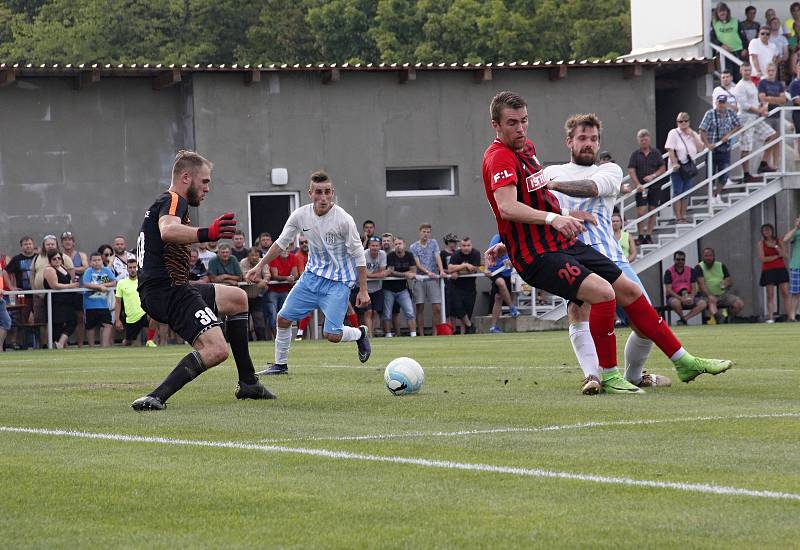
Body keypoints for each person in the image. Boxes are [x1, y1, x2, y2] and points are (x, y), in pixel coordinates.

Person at [483, 92, 731, 395]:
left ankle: (683, 361)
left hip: (567, 244)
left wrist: (559, 214)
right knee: (600, 295)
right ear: (496, 125)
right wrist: (549, 222)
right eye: (512, 123)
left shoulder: (574, 162)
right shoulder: (500, 158)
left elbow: (542, 199)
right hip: (542, 253)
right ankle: (607, 374)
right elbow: (508, 208)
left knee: (629, 292)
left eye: (524, 121)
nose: (520, 128)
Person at [131, 150, 275, 410]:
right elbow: (167, 231)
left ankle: (248, 383)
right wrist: (208, 231)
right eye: (205, 181)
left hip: (168, 288)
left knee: (238, 298)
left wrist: (205, 238)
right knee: (217, 350)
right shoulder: (174, 200)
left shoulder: (167, 202)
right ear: (186, 177)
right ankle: (156, 396)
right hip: (168, 291)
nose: (208, 188)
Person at [245, 170, 371, 375]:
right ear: (310, 193)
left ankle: (360, 334)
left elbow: (359, 255)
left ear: (333, 193)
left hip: (338, 282)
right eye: (318, 192)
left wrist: (363, 290)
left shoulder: (344, 220)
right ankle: (280, 365)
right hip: (311, 277)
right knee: (283, 318)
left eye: (327, 192)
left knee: (332, 334)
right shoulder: (301, 215)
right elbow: (281, 243)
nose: (323, 197)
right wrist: (259, 266)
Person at [733, 63, 778, 182]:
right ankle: (746, 174)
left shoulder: (752, 83)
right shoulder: (739, 86)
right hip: (745, 118)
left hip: (755, 117)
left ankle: (763, 163)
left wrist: (762, 108)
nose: (747, 72)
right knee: (746, 147)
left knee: (772, 135)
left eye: (749, 70)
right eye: (745, 70)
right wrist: (760, 111)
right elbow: (744, 106)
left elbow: (754, 101)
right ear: (741, 71)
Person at [699, 94, 742, 206]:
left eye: (723, 102)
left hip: (725, 147)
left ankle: (717, 195)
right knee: (710, 175)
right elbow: (702, 130)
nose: (721, 105)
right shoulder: (710, 114)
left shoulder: (730, 113)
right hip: (712, 149)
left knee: (724, 173)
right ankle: (710, 196)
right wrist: (707, 144)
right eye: (719, 102)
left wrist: (729, 135)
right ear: (716, 102)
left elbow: (738, 125)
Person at [664, 112, 704, 223]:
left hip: (689, 166)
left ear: (689, 122)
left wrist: (692, 134)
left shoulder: (693, 133)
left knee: (686, 191)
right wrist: (674, 163)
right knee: (677, 191)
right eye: (680, 121)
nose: (683, 123)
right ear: (677, 122)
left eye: (685, 121)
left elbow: (701, 148)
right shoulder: (674, 133)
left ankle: (683, 215)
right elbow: (670, 149)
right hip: (678, 166)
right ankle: (678, 217)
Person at [627, 129, 666, 245]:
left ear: (649, 139)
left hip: (655, 186)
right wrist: (637, 184)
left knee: (652, 211)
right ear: (638, 141)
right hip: (641, 188)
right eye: (641, 140)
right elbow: (631, 170)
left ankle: (648, 235)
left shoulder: (656, 153)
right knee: (641, 212)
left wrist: (653, 176)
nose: (643, 141)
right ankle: (640, 235)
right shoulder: (635, 154)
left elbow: (663, 168)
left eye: (645, 139)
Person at [410, 223, 446, 336]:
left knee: (437, 307)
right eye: (424, 232)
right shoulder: (413, 247)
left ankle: (435, 333)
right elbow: (417, 264)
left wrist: (441, 271)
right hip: (420, 279)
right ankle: (421, 334)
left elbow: (437, 257)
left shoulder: (433, 243)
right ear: (419, 232)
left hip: (433, 279)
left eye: (428, 232)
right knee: (420, 307)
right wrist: (427, 272)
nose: (426, 234)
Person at [694, 247, 745, 323]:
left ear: (714, 256)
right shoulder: (698, 267)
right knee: (712, 301)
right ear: (703, 257)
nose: (708, 258)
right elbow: (702, 285)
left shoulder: (721, 265)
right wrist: (710, 295)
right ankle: (719, 319)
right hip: (706, 296)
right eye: (706, 256)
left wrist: (726, 283)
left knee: (740, 304)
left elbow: (729, 279)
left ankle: (728, 318)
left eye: (710, 255)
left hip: (722, 294)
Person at [114, 258, 158, 346]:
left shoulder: (143, 281)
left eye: (134, 267)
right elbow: (118, 303)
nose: (132, 270)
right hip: (131, 318)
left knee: (154, 317)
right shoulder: (121, 283)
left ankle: (150, 341)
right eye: (130, 267)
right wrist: (117, 320)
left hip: (144, 313)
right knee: (128, 342)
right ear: (127, 269)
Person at [42, 250, 80, 349]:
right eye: (54, 259)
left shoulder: (62, 267)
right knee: (57, 324)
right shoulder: (49, 269)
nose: (57, 260)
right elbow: (54, 285)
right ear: (50, 260)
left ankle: (60, 343)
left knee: (72, 321)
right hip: (55, 301)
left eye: (59, 258)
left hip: (67, 300)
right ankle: (57, 344)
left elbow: (68, 279)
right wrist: (71, 286)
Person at [382, 237, 418, 338]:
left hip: (403, 289)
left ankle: (413, 335)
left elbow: (413, 272)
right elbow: (390, 272)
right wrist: (405, 274)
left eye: (400, 243)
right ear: (394, 245)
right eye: (396, 244)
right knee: (387, 314)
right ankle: (388, 335)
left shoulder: (409, 255)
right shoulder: (390, 256)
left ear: (404, 244)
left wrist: (405, 274)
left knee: (410, 312)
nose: (398, 246)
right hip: (388, 289)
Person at [446, 237, 481, 334]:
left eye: (468, 245)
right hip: (456, 286)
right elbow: (449, 269)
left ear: (471, 245)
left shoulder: (476, 254)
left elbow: (473, 269)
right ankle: (470, 326)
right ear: (460, 246)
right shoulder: (456, 254)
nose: (466, 248)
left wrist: (457, 270)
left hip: (470, 287)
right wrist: (464, 265)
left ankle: (466, 332)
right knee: (458, 308)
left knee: (468, 310)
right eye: (464, 246)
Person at [485, 233, 519, 334]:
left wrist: (511, 261)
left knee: (498, 298)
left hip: (506, 272)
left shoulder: (515, 238)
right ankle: (512, 307)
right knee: (501, 283)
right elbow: (489, 253)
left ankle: (493, 327)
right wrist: (486, 269)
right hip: (495, 270)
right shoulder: (497, 237)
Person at [82, 251, 116, 347]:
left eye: (98, 260)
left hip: (104, 304)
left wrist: (104, 285)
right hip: (90, 305)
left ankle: (104, 346)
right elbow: (86, 283)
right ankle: (91, 347)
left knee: (107, 324)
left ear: (102, 260)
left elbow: (113, 281)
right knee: (90, 326)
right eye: (94, 260)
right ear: (90, 262)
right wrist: (99, 287)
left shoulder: (106, 270)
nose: (97, 262)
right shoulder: (88, 271)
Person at [757, 222, 790, 322]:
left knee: (785, 293)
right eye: (764, 230)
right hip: (768, 270)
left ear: (772, 231)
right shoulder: (760, 243)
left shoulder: (778, 241)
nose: (767, 232)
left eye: (768, 230)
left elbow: (785, 255)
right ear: (762, 232)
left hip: (780, 268)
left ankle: (790, 317)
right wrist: (776, 256)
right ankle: (770, 318)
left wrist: (775, 247)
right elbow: (763, 258)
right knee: (770, 295)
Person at [664, 251, 707, 325]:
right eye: (678, 259)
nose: (680, 261)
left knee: (703, 303)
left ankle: (684, 319)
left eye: (682, 259)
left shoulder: (691, 270)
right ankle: (683, 318)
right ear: (674, 260)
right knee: (675, 303)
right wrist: (681, 299)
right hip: (674, 296)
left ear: (685, 260)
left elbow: (694, 287)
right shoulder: (669, 272)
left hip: (689, 295)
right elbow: (669, 290)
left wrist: (692, 297)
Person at [266, 245, 299, 337]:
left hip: (286, 290)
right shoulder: (274, 258)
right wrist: (287, 278)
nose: (285, 250)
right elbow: (275, 275)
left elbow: (295, 274)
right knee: (273, 314)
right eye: (283, 248)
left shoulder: (293, 257)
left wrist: (292, 278)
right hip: (273, 291)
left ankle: (285, 336)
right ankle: (275, 337)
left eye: (287, 248)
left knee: (286, 314)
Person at [358, 236, 386, 336]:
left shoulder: (383, 254)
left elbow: (383, 271)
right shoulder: (364, 254)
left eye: (377, 246)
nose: (375, 248)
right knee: (368, 312)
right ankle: (369, 334)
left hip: (377, 288)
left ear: (380, 246)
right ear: (369, 246)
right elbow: (363, 273)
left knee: (375, 312)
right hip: (365, 288)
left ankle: (372, 332)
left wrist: (371, 275)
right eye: (372, 245)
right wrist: (377, 275)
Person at [239, 246, 269, 340]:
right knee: (244, 320)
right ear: (248, 256)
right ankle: (247, 340)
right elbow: (247, 277)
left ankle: (262, 340)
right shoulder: (243, 262)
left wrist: (265, 280)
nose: (254, 257)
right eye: (252, 255)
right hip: (245, 295)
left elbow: (267, 275)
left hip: (257, 295)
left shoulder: (263, 261)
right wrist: (261, 281)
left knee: (259, 318)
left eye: (256, 255)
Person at [711, 2, 747, 80]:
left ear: (727, 12)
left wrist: (745, 48)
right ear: (717, 13)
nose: (722, 13)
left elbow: (743, 35)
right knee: (728, 73)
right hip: (724, 53)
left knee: (738, 74)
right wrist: (721, 45)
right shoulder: (714, 23)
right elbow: (712, 37)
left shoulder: (735, 21)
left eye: (724, 11)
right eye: (720, 11)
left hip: (738, 51)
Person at [782, 216, 800, 321]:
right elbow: (785, 239)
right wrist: (795, 228)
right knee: (795, 292)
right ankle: (792, 316)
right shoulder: (796, 232)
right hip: (796, 265)